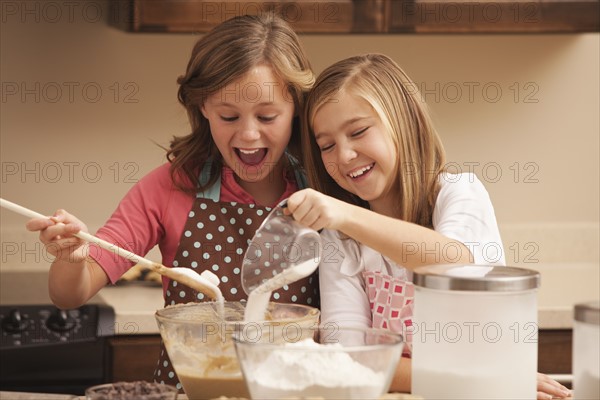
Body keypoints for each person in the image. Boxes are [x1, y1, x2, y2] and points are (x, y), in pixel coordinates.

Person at [25, 13, 319, 390]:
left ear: (295, 107)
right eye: (229, 116)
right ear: (203, 109)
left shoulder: (323, 193)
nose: (248, 133)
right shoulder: (168, 188)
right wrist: (70, 259)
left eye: (267, 116)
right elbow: (70, 294)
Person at [285, 53, 571, 400]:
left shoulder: (459, 193)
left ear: (403, 121)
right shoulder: (339, 239)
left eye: (358, 131)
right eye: (326, 145)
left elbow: (453, 265)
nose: (343, 155)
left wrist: (345, 215)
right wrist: (476, 375)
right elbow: (349, 357)